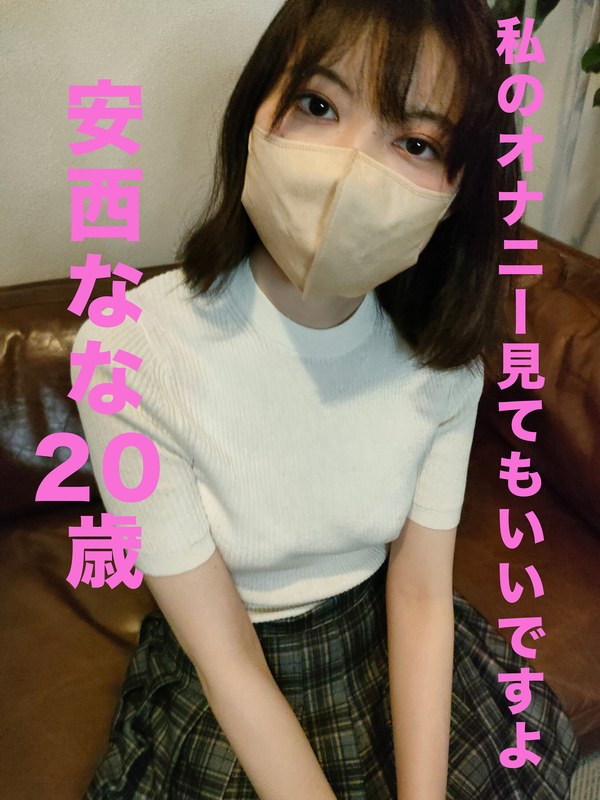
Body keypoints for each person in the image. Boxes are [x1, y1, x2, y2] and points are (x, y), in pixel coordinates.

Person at [73, 0, 580, 798]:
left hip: (384, 629)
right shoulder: (125, 352)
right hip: (235, 660)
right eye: (317, 104)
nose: (350, 167)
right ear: (255, 110)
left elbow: (419, 590)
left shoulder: (445, 368)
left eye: (416, 143)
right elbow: (225, 653)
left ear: (458, 192)